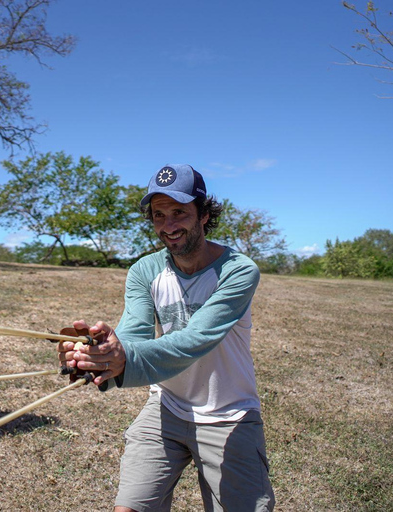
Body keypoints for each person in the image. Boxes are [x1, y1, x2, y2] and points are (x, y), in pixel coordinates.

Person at [58, 164, 275, 511]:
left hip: (228, 416)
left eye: (179, 213)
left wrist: (124, 359)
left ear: (204, 214)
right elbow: (134, 332)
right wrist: (101, 353)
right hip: (166, 407)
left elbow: (196, 339)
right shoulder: (145, 270)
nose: (168, 226)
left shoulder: (238, 271)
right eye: (159, 215)